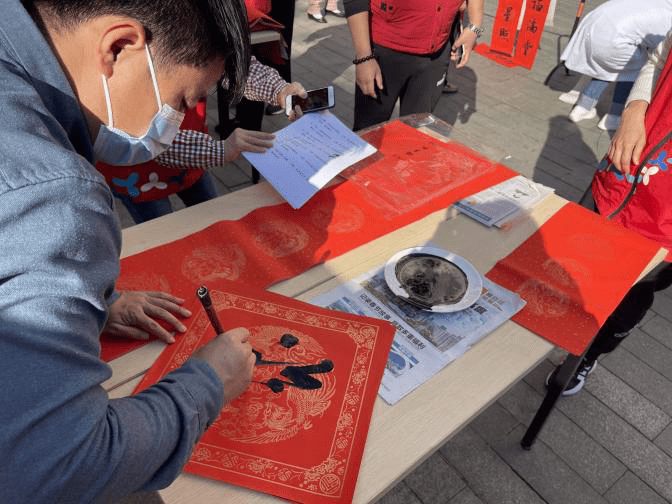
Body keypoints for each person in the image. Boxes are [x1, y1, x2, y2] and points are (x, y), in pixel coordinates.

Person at [0, 0, 258, 501]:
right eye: (182, 102)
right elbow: (58, 465)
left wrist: (91, 305)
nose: (177, 127)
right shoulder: (55, 199)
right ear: (119, 47)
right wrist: (210, 383)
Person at [548, 29, 672, 396]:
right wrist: (635, 109)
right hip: (627, 166)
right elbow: (658, 57)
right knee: (571, 255)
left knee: (633, 294)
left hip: (664, 214)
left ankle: (589, 354)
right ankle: (552, 327)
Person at [98, 57, 306, 224]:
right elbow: (139, 136)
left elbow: (229, 61)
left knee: (216, 221)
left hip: (192, 157)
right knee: (165, 236)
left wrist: (278, 90)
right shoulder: (124, 57)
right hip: (136, 171)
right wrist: (218, 150)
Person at [343, 0, 484, 131]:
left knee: (416, 134)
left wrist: (475, 27)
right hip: (384, 53)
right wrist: (364, 57)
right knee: (369, 135)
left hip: (435, 55)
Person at [559, 0, 671, 131]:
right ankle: (613, 117)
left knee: (609, 68)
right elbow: (661, 52)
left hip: (591, 27)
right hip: (612, 39)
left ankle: (582, 107)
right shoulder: (668, 17)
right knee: (633, 73)